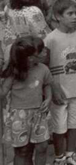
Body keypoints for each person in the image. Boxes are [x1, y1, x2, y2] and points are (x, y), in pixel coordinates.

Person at [45, 0, 76, 165]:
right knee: (59, 126)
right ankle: (59, 157)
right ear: (58, 16)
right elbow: (46, 67)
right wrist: (53, 89)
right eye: (69, 14)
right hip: (59, 91)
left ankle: (71, 154)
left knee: (75, 123)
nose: (74, 17)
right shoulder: (51, 39)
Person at [1, 36, 52, 165]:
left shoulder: (43, 69)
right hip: (19, 116)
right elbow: (3, 92)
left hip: (38, 114)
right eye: (30, 57)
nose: (32, 59)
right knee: (23, 151)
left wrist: (49, 98)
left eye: (34, 55)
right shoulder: (14, 72)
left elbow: (47, 84)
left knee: (42, 147)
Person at [1, 0, 50, 67]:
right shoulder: (33, 11)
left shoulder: (9, 7)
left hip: (12, 56)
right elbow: (46, 38)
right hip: (30, 60)